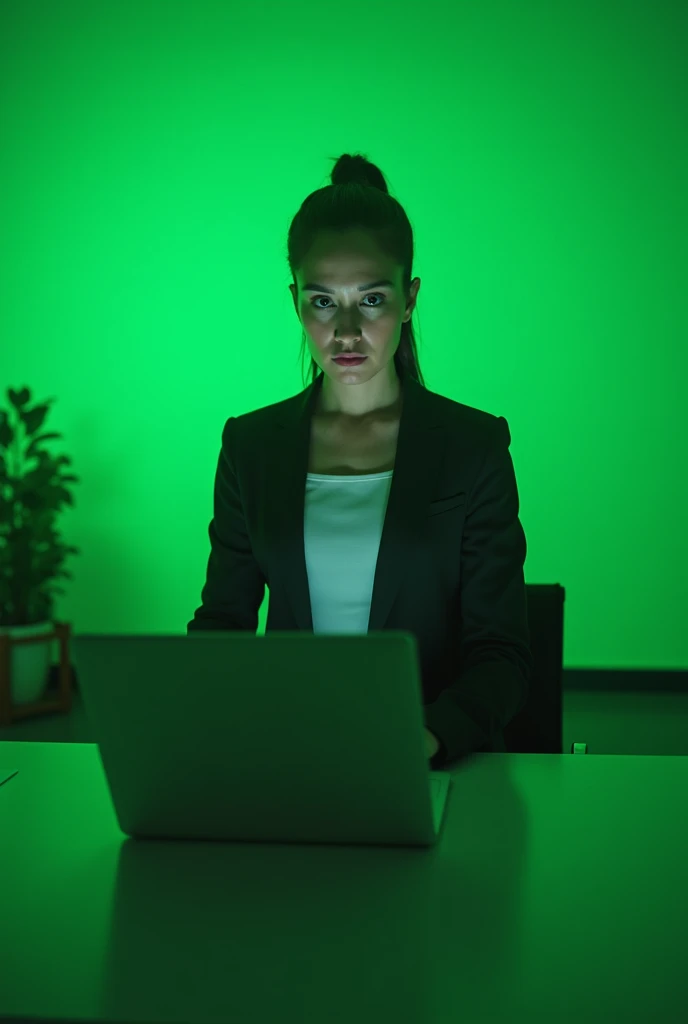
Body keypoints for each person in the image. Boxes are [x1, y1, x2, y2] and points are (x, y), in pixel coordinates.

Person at [188, 152, 533, 768]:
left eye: (371, 299)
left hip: (433, 765)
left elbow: (500, 653)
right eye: (323, 302)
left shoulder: (473, 446)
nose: (346, 331)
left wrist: (422, 740)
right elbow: (223, 624)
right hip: (289, 757)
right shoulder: (251, 446)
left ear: (409, 298)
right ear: (295, 301)